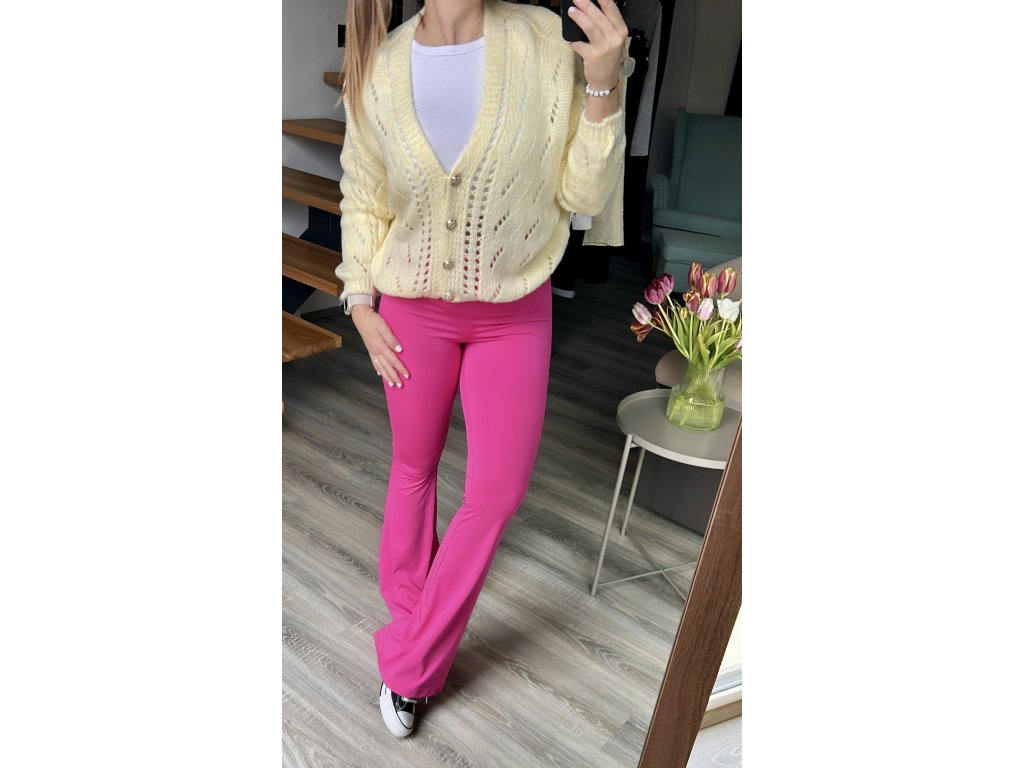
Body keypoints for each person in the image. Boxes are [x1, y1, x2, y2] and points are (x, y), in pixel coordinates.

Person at [335, 0, 630, 738]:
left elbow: (584, 195)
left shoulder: (543, 41)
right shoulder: (380, 65)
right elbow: (363, 197)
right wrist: (359, 301)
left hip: (514, 311)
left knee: (497, 492)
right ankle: (413, 610)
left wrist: (604, 85)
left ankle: (410, 666)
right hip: (409, 308)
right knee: (413, 466)